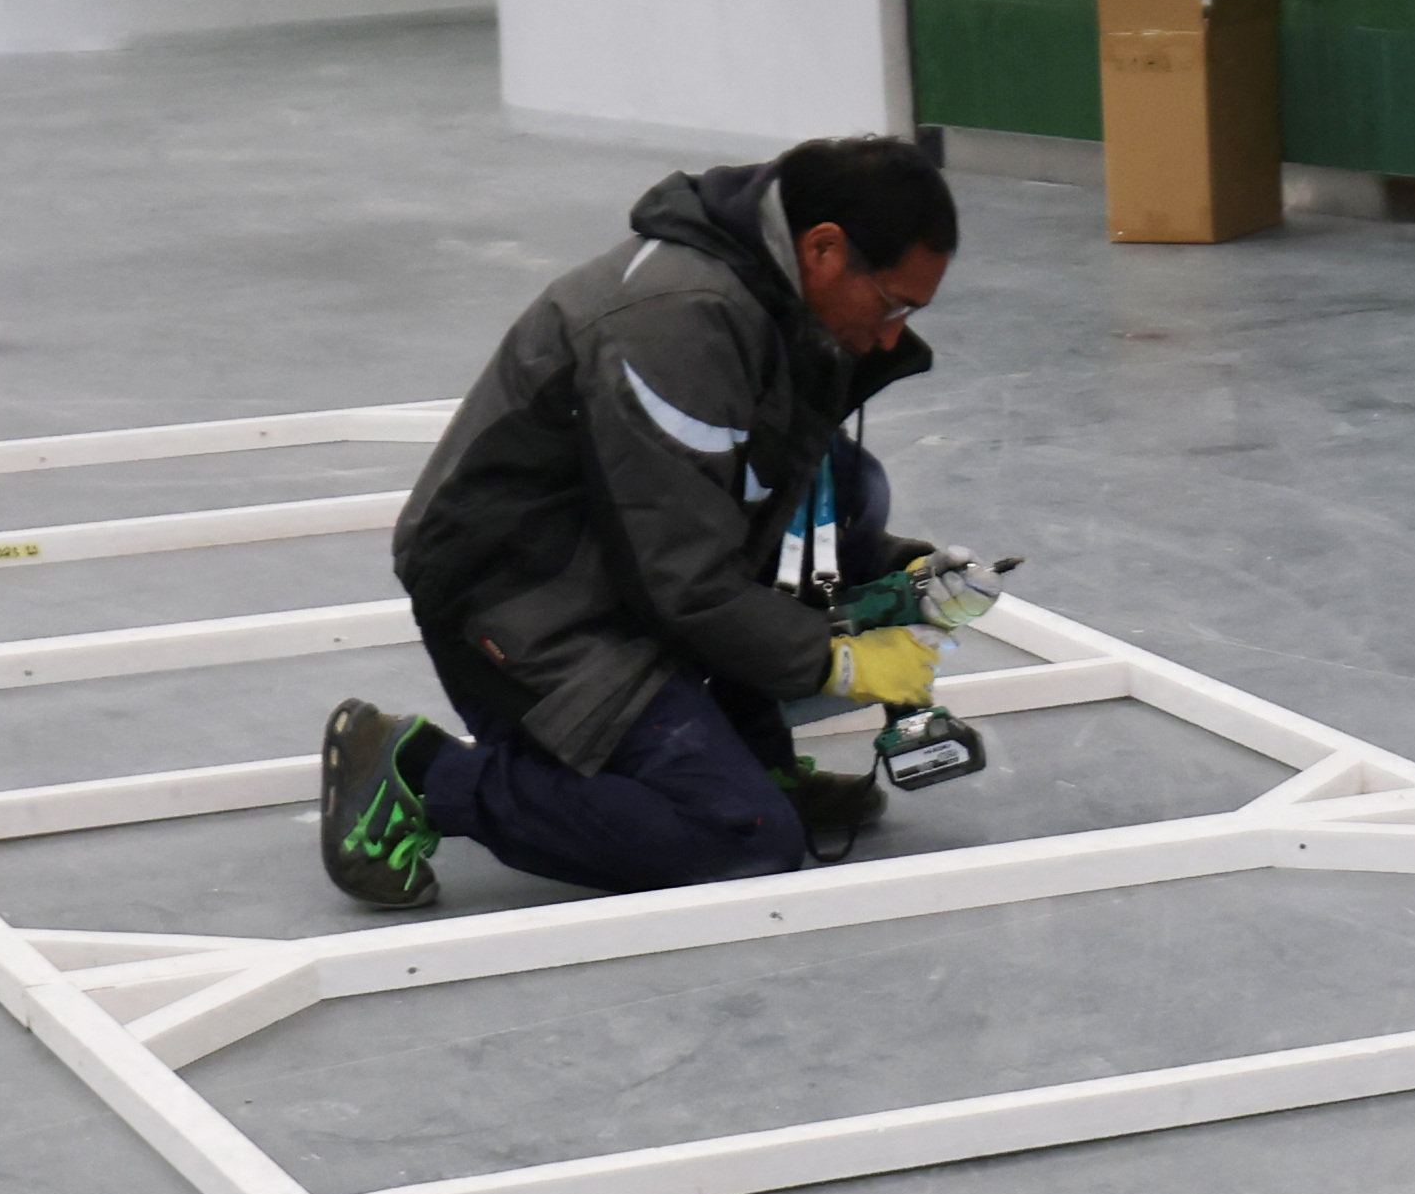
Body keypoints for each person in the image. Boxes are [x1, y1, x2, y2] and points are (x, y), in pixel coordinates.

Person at [325, 137, 962, 912]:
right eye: (893, 303)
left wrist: (894, 573)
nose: (894, 333)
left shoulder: (774, 298)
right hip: (518, 592)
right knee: (742, 838)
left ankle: (748, 752)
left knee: (852, 488)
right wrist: (839, 662)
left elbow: (751, 504)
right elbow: (686, 578)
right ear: (823, 248)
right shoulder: (680, 321)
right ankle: (420, 774)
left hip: (610, 562)